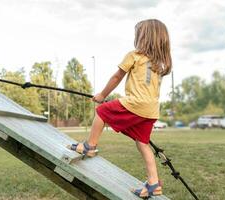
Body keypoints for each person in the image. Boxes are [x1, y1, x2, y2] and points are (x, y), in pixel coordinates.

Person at [67, 19, 172, 198]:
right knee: (142, 143)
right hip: (151, 110)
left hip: (135, 103)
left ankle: (89, 146)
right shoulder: (158, 64)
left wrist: (101, 95)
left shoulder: (134, 55)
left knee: (102, 111)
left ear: (143, 37)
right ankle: (153, 184)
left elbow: (117, 77)